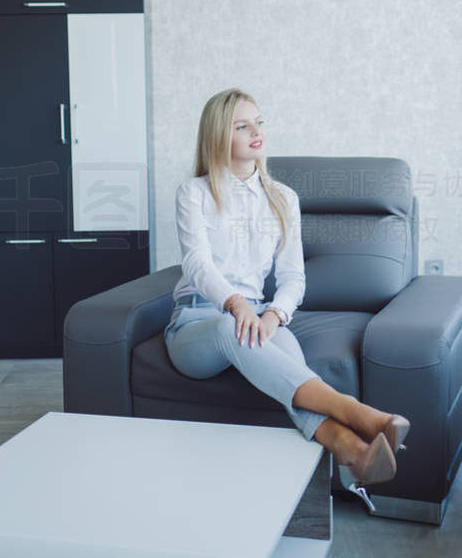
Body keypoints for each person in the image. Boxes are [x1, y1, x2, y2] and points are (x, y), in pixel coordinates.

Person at [165, 87, 410, 486]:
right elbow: (196, 264)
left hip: (258, 317)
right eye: (241, 126)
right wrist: (234, 304)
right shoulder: (194, 193)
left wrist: (275, 314)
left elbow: (293, 276)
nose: (255, 132)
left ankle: (355, 452)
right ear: (217, 136)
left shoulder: (282, 198)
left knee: (292, 368)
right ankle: (361, 414)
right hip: (197, 322)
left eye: (258, 122)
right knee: (232, 326)